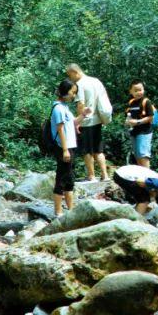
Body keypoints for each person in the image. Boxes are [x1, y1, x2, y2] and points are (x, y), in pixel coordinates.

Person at [64, 63, 113, 183]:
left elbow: (81, 104)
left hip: (86, 122)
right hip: (98, 120)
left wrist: (79, 120)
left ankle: (91, 176)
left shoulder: (80, 85)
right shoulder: (95, 80)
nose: (71, 79)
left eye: (70, 75)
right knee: (98, 150)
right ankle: (105, 175)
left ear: (75, 72)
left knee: (87, 150)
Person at [50, 78, 79, 216]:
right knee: (62, 178)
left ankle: (71, 210)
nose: (74, 95)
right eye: (73, 92)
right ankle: (58, 212)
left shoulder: (65, 108)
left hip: (70, 147)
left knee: (69, 178)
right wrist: (65, 150)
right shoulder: (58, 108)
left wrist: (84, 115)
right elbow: (60, 129)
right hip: (64, 148)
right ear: (65, 92)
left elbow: (73, 123)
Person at [124, 80, 157, 166]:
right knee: (137, 155)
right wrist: (128, 121)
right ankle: (141, 177)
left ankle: (148, 178)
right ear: (130, 91)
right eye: (136, 90)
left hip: (144, 132)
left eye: (140, 90)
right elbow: (128, 116)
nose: (139, 92)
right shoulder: (131, 102)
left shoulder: (146, 102)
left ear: (143, 89)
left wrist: (137, 122)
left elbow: (151, 117)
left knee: (143, 155)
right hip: (134, 132)